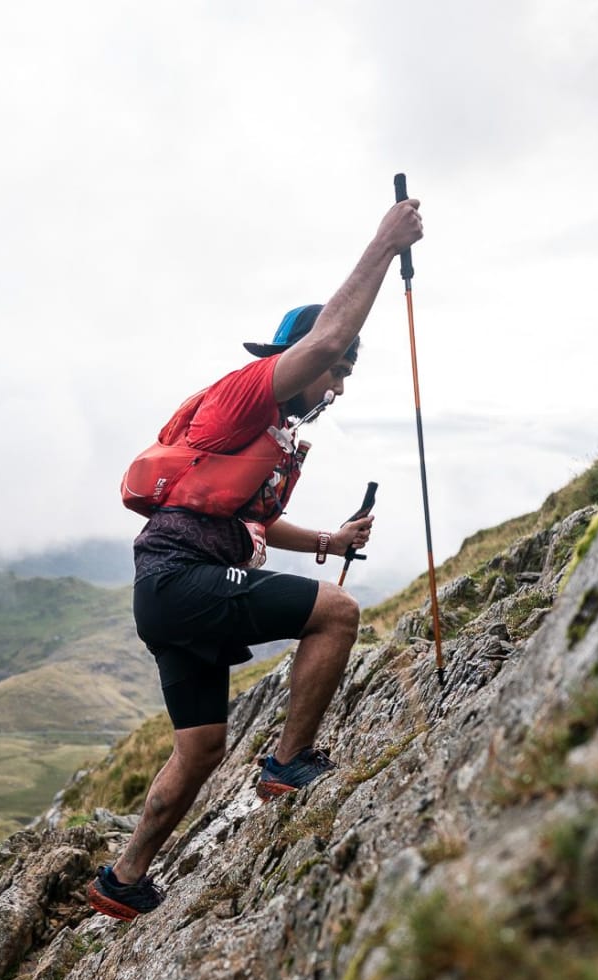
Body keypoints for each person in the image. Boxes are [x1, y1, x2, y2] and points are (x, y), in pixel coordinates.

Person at [88, 196, 425, 921]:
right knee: (336, 613)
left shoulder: (272, 437)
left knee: (201, 746)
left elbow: (259, 519)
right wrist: (382, 244)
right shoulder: (247, 395)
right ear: (293, 359)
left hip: (169, 590)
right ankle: (286, 765)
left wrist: (331, 542)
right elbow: (331, 333)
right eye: (332, 373)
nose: (334, 388)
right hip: (184, 575)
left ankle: (122, 881)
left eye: (341, 379)